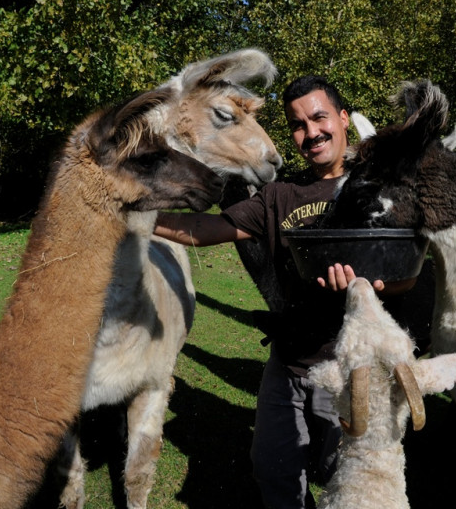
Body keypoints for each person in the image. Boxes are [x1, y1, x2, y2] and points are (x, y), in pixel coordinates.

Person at [154, 75, 403, 508]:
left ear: (343, 120)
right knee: (275, 469)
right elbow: (202, 229)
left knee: (341, 473)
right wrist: (132, 211)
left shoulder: (377, 191)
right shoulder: (278, 196)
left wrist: (370, 285)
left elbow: (408, 276)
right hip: (286, 364)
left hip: (350, 369)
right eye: (298, 124)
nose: (311, 133)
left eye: (320, 118)